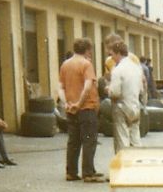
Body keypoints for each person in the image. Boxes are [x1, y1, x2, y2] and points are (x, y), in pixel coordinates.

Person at [58, 37, 102, 182]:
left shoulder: (65, 64)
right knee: (89, 140)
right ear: (88, 50)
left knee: (73, 141)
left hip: (71, 109)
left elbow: (60, 88)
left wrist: (67, 103)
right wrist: (79, 102)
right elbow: (88, 86)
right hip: (86, 108)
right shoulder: (86, 64)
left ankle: (71, 172)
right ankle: (88, 173)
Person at [108, 40, 143, 153]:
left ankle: (123, 163)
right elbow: (141, 89)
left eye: (112, 54)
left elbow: (115, 93)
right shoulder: (137, 68)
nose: (111, 58)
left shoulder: (117, 70)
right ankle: (137, 162)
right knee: (135, 138)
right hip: (135, 105)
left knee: (122, 137)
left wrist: (107, 89)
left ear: (118, 53)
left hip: (122, 107)